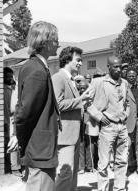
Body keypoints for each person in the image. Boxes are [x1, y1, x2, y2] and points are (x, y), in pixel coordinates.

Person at [14, 21, 60, 191]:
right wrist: (19, 139)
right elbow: (25, 112)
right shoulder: (37, 70)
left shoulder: (35, 66)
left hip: (40, 147)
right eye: (55, 40)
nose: (58, 44)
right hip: (40, 149)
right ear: (45, 42)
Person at [86, 55, 130, 191]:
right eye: (115, 67)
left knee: (122, 160)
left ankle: (120, 188)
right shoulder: (98, 82)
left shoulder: (124, 83)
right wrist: (99, 116)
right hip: (107, 127)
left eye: (120, 66)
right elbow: (86, 102)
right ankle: (103, 189)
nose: (118, 69)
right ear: (108, 67)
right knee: (104, 162)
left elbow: (127, 103)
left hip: (122, 126)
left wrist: (126, 114)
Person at [52, 46, 87, 191]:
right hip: (65, 135)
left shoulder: (71, 79)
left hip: (74, 134)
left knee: (72, 174)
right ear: (67, 59)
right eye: (78, 60)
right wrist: (80, 100)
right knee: (65, 173)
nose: (80, 63)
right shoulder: (58, 78)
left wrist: (83, 102)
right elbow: (58, 105)